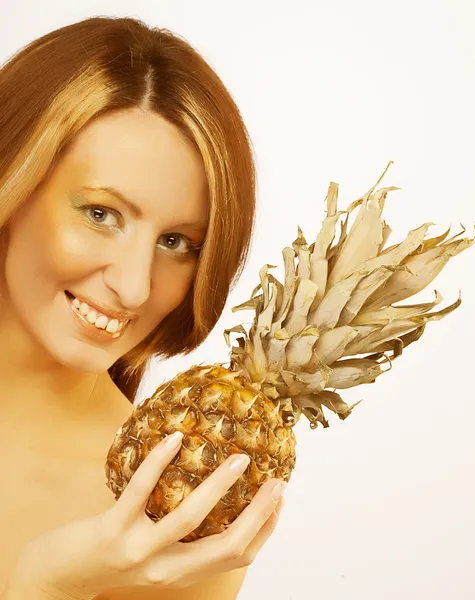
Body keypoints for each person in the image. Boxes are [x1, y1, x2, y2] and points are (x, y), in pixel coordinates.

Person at [0, 15, 286, 599]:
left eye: (176, 243)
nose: (133, 288)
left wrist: (48, 585)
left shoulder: (173, 520)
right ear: (13, 178)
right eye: (101, 214)